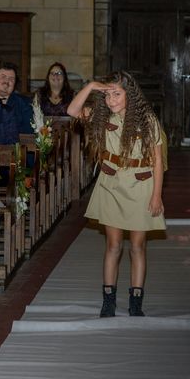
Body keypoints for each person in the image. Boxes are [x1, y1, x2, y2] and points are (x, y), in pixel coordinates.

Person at [67, 71, 165, 317]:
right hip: (111, 184)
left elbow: (157, 162)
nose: (111, 100)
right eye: (108, 94)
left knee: (137, 246)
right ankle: (108, 300)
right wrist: (91, 87)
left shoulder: (148, 120)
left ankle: (135, 301)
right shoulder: (101, 117)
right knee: (113, 245)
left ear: (129, 95)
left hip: (141, 185)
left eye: (117, 94)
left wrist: (156, 196)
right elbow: (71, 110)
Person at [0, 61, 34, 135]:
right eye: (3, 77)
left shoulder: (25, 104)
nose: (7, 81)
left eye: (11, 79)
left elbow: (28, 133)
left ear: (15, 83)